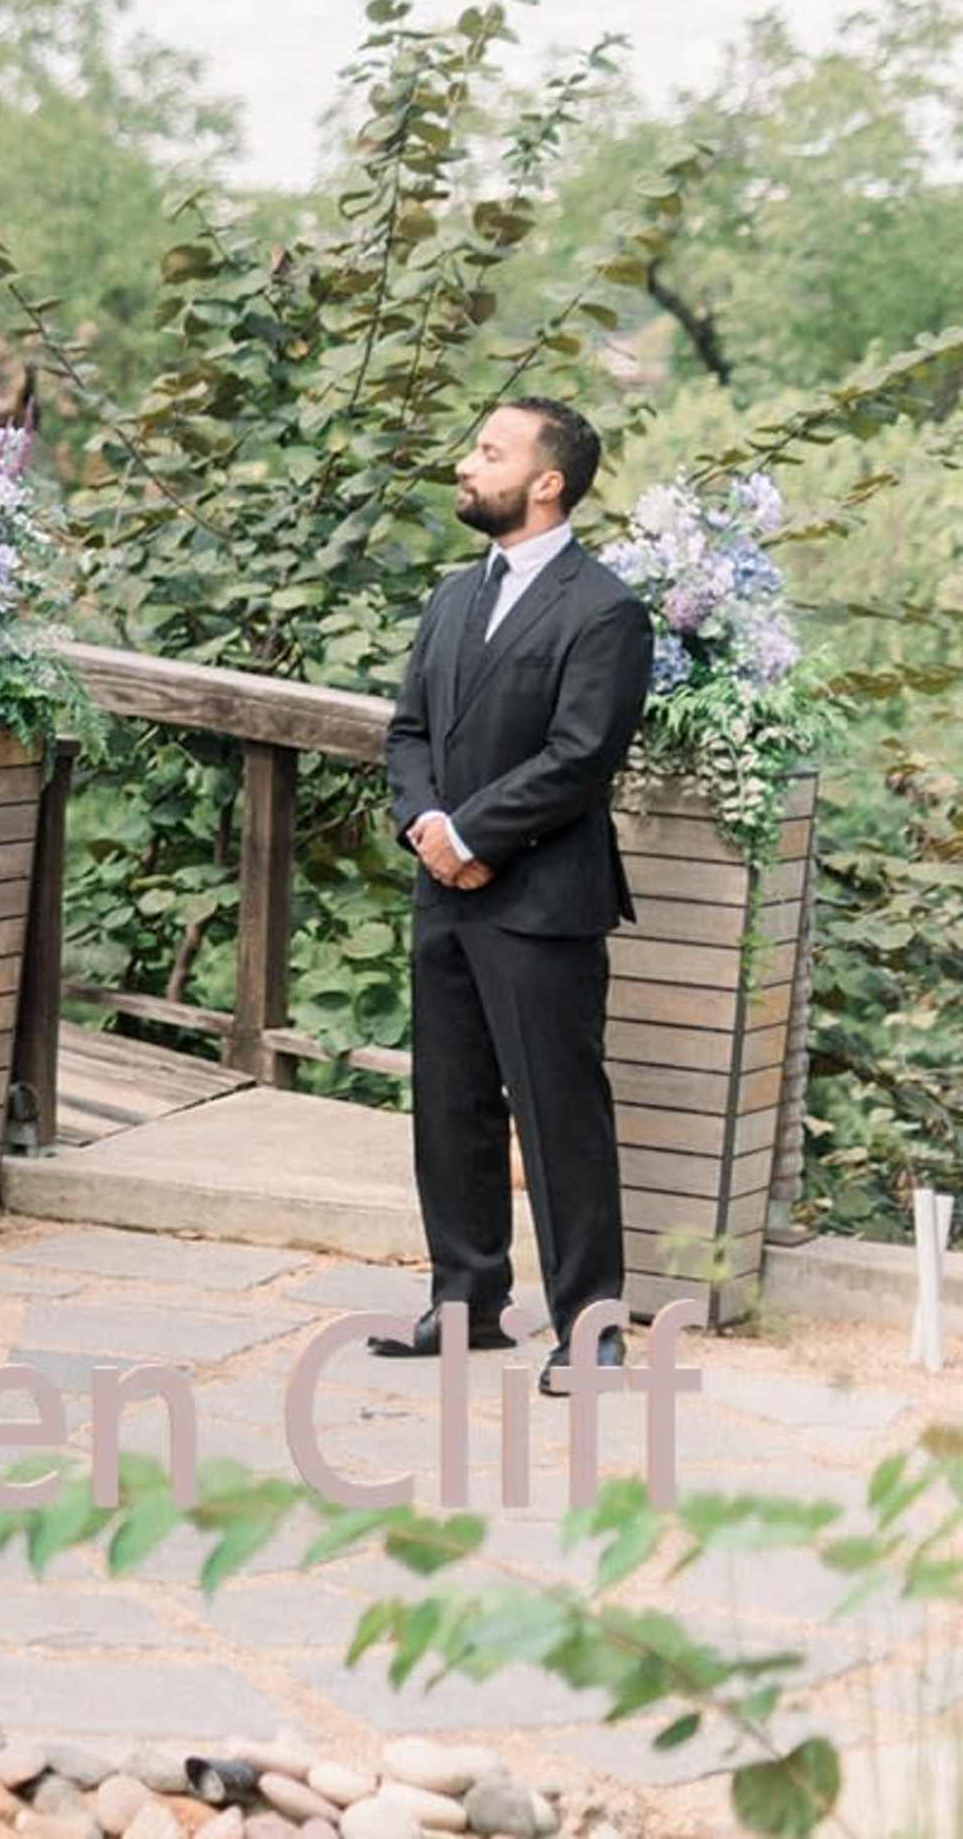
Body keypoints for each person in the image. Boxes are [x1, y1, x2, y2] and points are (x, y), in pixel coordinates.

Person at [380, 396, 656, 1399]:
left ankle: (593, 1333)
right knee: (447, 1104)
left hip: (542, 899)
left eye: (489, 451)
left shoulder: (606, 610)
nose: (466, 462)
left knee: (559, 1116)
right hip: (443, 890)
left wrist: (474, 836)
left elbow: (583, 758)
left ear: (547, 481)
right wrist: (427, 827)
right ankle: (466, 1305)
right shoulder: (454, 596)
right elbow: (407, 730)